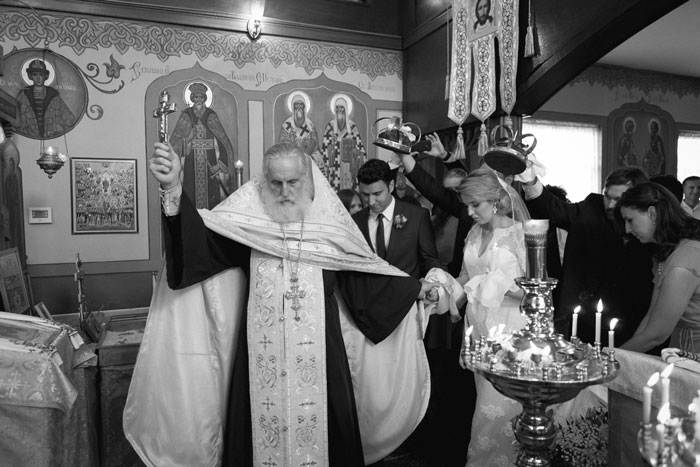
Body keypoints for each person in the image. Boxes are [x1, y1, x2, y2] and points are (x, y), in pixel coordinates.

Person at [124, 142, 439, 467]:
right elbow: (196, 251)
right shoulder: (245, 228)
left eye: (294, 182)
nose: (286, 191)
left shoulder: (330, 230)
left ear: (309, 181)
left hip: (323, 364)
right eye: (277, 183)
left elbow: (364, 281)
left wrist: (414, 290)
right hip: (259, 365)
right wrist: (173, 187)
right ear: (263, 182)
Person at [444, 167, 530, 467]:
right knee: (484, 401)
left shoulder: (519, 234)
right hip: (478, 329)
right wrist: (442, 295)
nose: (469, 212)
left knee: (497, 408)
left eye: (474, 204)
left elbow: (534, 292)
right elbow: (465, 277)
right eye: (466, 205)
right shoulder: (475, 232)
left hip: (509, 332)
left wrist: (498, 284)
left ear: (495, 201)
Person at [520, 165, 654, 348]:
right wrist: (530, 181)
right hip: (588, 316)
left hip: (635, 315)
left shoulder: (652, 219)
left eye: (619, 199)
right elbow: (554, 209)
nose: (611, 205)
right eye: (608, 196)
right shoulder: (591, 208)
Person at [617, 182, 700, 353]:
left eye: (630, 220)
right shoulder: (668, 251)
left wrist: (609, 361)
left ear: (652, 213)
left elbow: (656, 335)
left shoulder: (683, 262)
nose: (627, 229)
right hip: (681, 351)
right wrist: (623, 359)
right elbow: (650, 319)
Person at [354, 158, 442, 280]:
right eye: (365, 194)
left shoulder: (417, 216)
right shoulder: (355, 221)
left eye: (377, 194)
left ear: (391, 186)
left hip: (408, 295)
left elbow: (430, 261)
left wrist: (432, 284)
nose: (371, 201)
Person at [169, 82, 235, 209]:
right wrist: (188, 138)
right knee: (190, 195)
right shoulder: (186, 115)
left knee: (212, 199)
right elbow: (175, 144)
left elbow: (223, 142)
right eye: (195, 97)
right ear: (192, 98)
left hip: (209, 160)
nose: (198, 100)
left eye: (201, 97)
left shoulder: (210, 115)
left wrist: (219, 165)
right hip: (191, 162)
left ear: (205, 99)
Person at [15, 59, 76, 139]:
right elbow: (15, 117)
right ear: (30, 76)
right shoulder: (24, 94)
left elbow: (69, 119)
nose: (38, 78)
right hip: (27, 137)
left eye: (41, 75)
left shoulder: (53, 95)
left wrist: (61, 127)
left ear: (46, 76)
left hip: (49, 135)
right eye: (35, 74)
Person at [320, 95, 367, 190]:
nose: (339, 110)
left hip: (349, 166)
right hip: (334, 166)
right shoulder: (330, 126)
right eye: (337, 107)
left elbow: (360, 148)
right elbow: (325, 147)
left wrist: (356, 154)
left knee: (348, 190)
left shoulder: (352, 127)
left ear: (346, 109)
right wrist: (332, 146)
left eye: (341, 107)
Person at [279, 91, 326, 174]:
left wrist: (308, 153)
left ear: (304, 106)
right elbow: (283, 145)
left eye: (301, 104)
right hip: (292, 157)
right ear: (292, 107)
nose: (299, 107)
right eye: (296, 104)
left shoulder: (310, 125)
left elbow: (315, 145)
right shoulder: (286, 125)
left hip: (308, 157)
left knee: (318, 158)